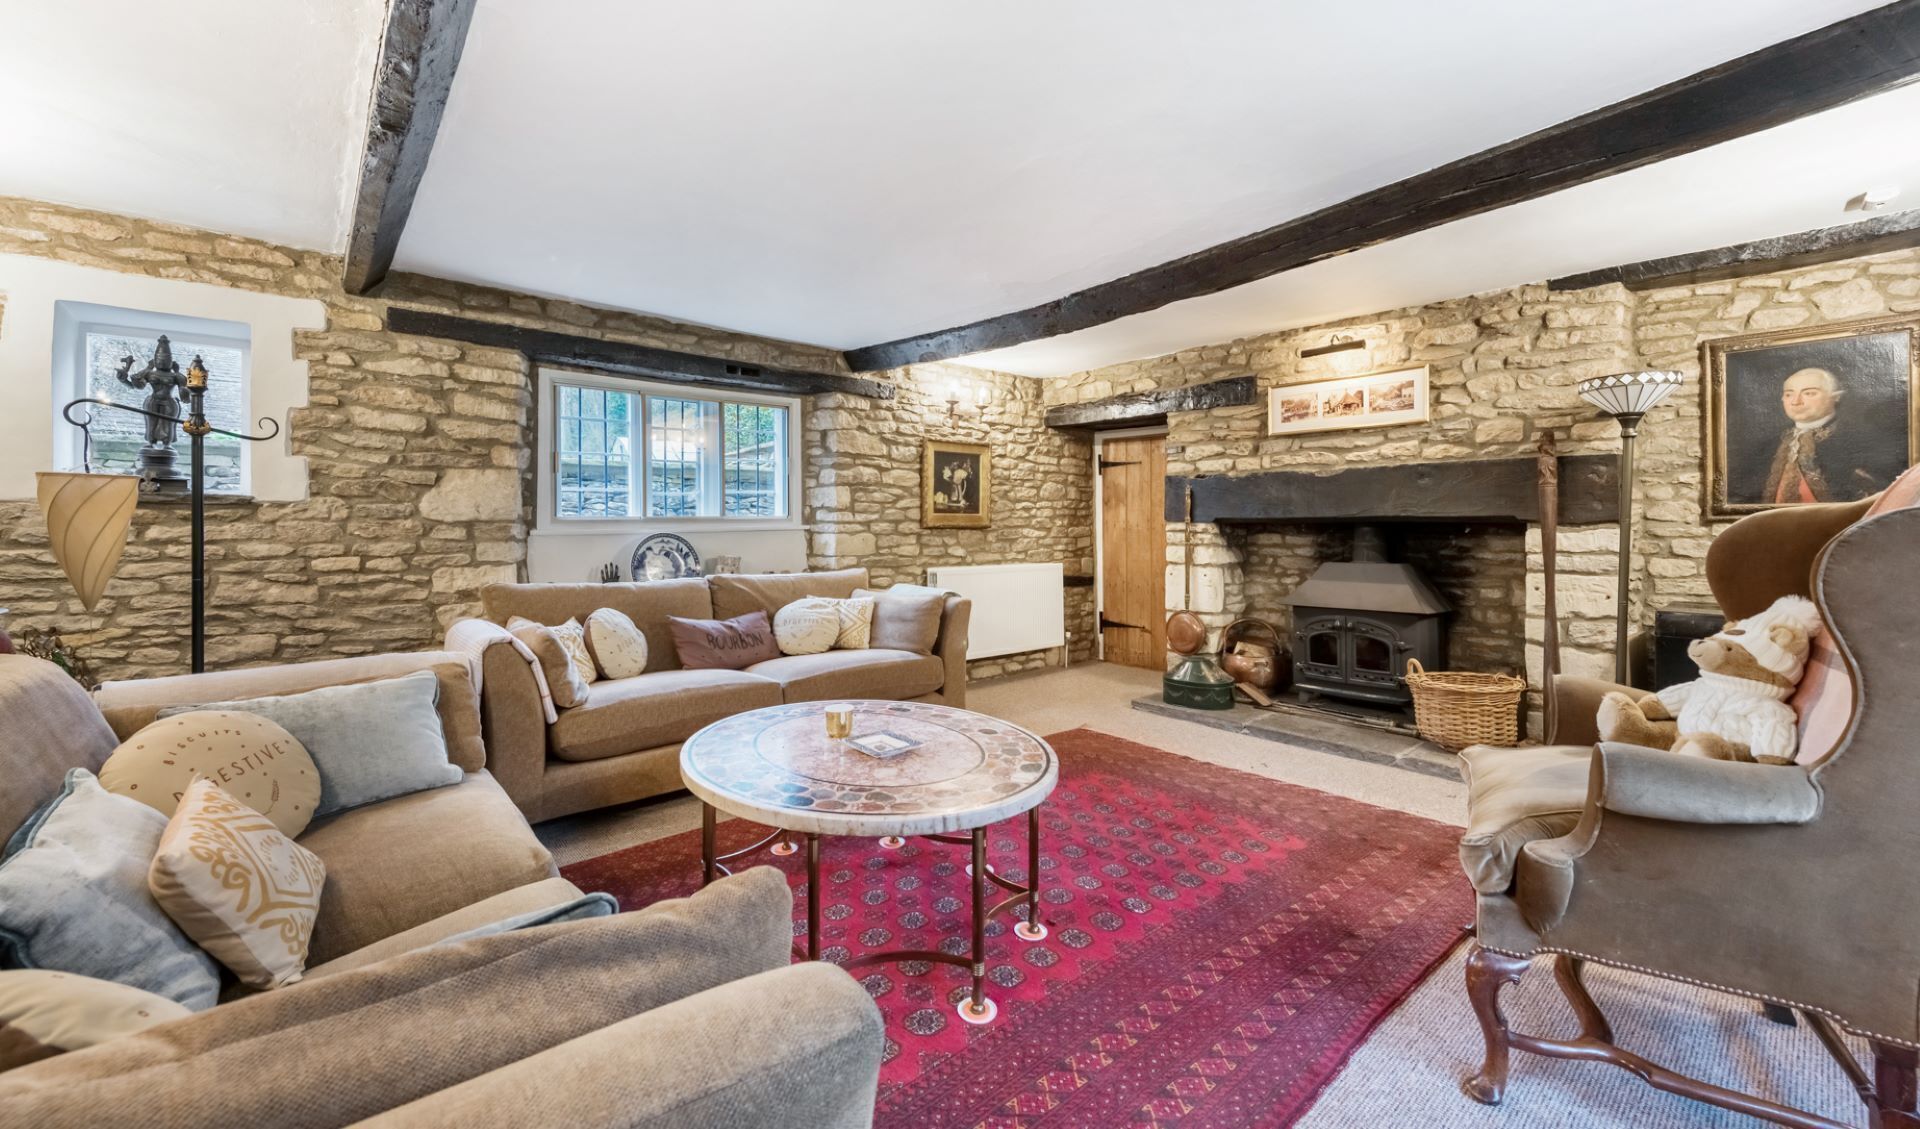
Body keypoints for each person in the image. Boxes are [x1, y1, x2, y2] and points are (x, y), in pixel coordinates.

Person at [1761, 367, 1897, 504]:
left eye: (1809, 393)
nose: (1796, 402)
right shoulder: (1767, 446)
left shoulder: (1861, 440)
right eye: (1789, 394)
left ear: (1836, 396)